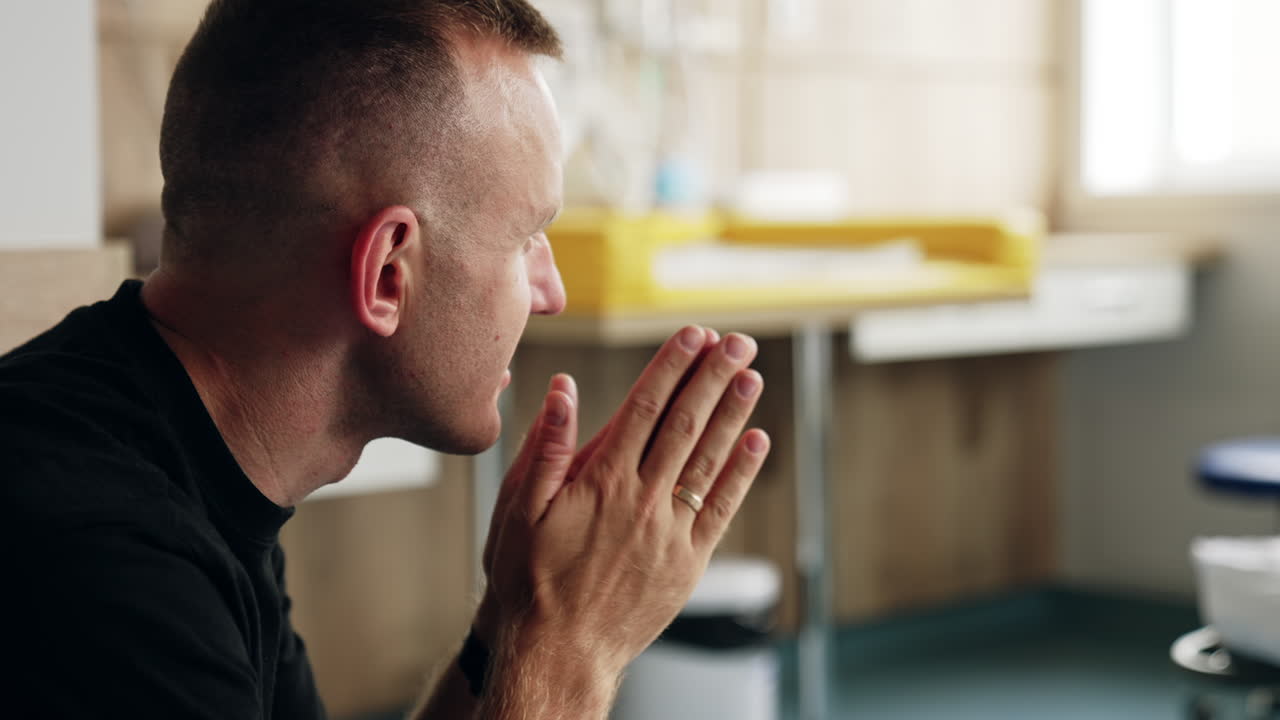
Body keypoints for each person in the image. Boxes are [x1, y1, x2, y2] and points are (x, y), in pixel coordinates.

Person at [0, 1, 769, 718]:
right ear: (388, 275)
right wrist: (574, 641)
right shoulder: (100, 563)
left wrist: (507, 627)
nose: (550, 291)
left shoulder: (184, 457)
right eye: (525, 239)